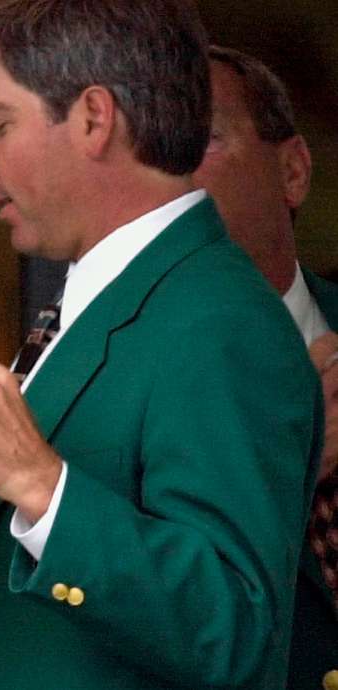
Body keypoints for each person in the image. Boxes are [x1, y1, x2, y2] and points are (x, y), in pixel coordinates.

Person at [0, 1, 320, 687]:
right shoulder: (104, 297)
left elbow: (235, 632)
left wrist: (40, 482)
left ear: (93, 118)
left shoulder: (220, 319)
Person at [191, 44, 338, 690]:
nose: (166, 175)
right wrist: (294, 466)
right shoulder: (89, 385)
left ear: (294, 172)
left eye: (199, 139)